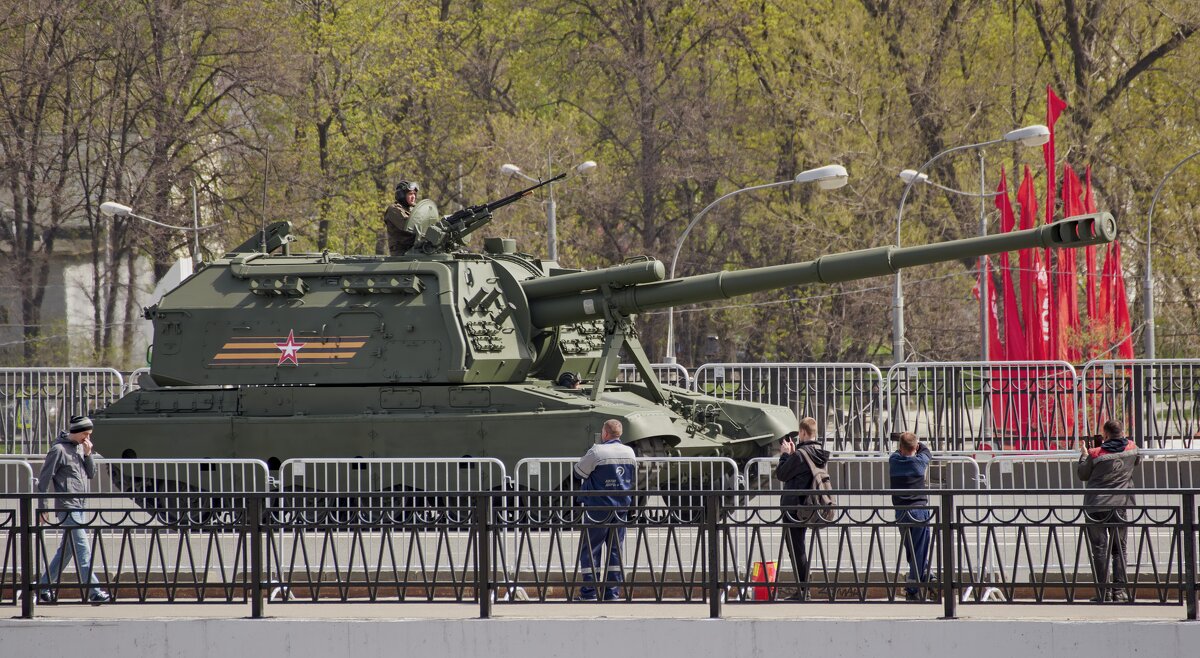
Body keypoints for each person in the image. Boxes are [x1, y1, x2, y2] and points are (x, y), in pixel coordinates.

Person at [35, 415, 111, 604]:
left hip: (80, 506)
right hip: (68, 507)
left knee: (66, 551)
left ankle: (43, 588)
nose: (88, 438)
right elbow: (43, 480)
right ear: (76, 432)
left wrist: (88, 454)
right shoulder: (58, 450)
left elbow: (91, 474)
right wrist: (42, 508)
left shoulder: (80, 448)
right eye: (85, 434)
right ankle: (94, 592)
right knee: (83, 550)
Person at [573, 419, 637, 601]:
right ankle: (612, 593)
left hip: (597, 507)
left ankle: (590, 592)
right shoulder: (630, 452)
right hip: (621, 508)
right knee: (615, 550)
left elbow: (579, 472)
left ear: (605, 433)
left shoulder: (597, 451)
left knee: (591, 549)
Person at [1078, 418, 1140, 603]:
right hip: (1119, 505)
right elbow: (1135, 462)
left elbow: (1083, 474)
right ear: (1123, 431)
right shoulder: (1132, 448)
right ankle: (1119, 593)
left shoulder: (1096, 453)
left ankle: (1103, 593)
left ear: (1105, 434)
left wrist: (1083, 454)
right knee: (1119, 549)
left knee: (1099, 549)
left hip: (1095, 506)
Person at [775, 416, 828, 602]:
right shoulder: (819, 451)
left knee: (796, 549)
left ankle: (803, 590)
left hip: (794, 507)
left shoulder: (800, 455)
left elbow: (781, 474)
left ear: (803, 433)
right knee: (800, 548)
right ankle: (803, 588)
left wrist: (784, 455)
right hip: (810, 505)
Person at [889, 431, 932, 602]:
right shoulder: (920, 462)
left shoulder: (893, 461)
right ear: (915, 447)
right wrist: (916, 442)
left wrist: (904, 440)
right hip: (919, 511)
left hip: (901, 512)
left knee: (911, 549)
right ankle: (913, 588)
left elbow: (899, 451)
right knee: (919, 549)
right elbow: (926, 451)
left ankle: (928, 574)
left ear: (900, 447)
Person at [383, 180, 420, 255]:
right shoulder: (393, 210)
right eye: (410, 194)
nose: (413, 197)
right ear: (401, 195)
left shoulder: (413, 210)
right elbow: (409, 226)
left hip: (416, 250)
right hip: (402, 253)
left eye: (414, 194)